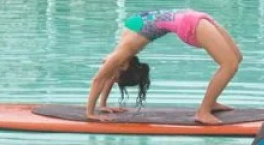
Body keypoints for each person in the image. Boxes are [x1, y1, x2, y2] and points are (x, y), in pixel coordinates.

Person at [87, 10, 242, 125]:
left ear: (121, 68)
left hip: (192, 22)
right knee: (232, 62)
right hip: (192, 17)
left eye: (114, 78)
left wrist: (90, 113)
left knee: (233, 61)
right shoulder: (122, 53)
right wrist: (103, 104)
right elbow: (108, 75)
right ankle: (207, 107)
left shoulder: (123, 52)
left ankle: (205, 110)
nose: (111, 77)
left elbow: (98, 79)